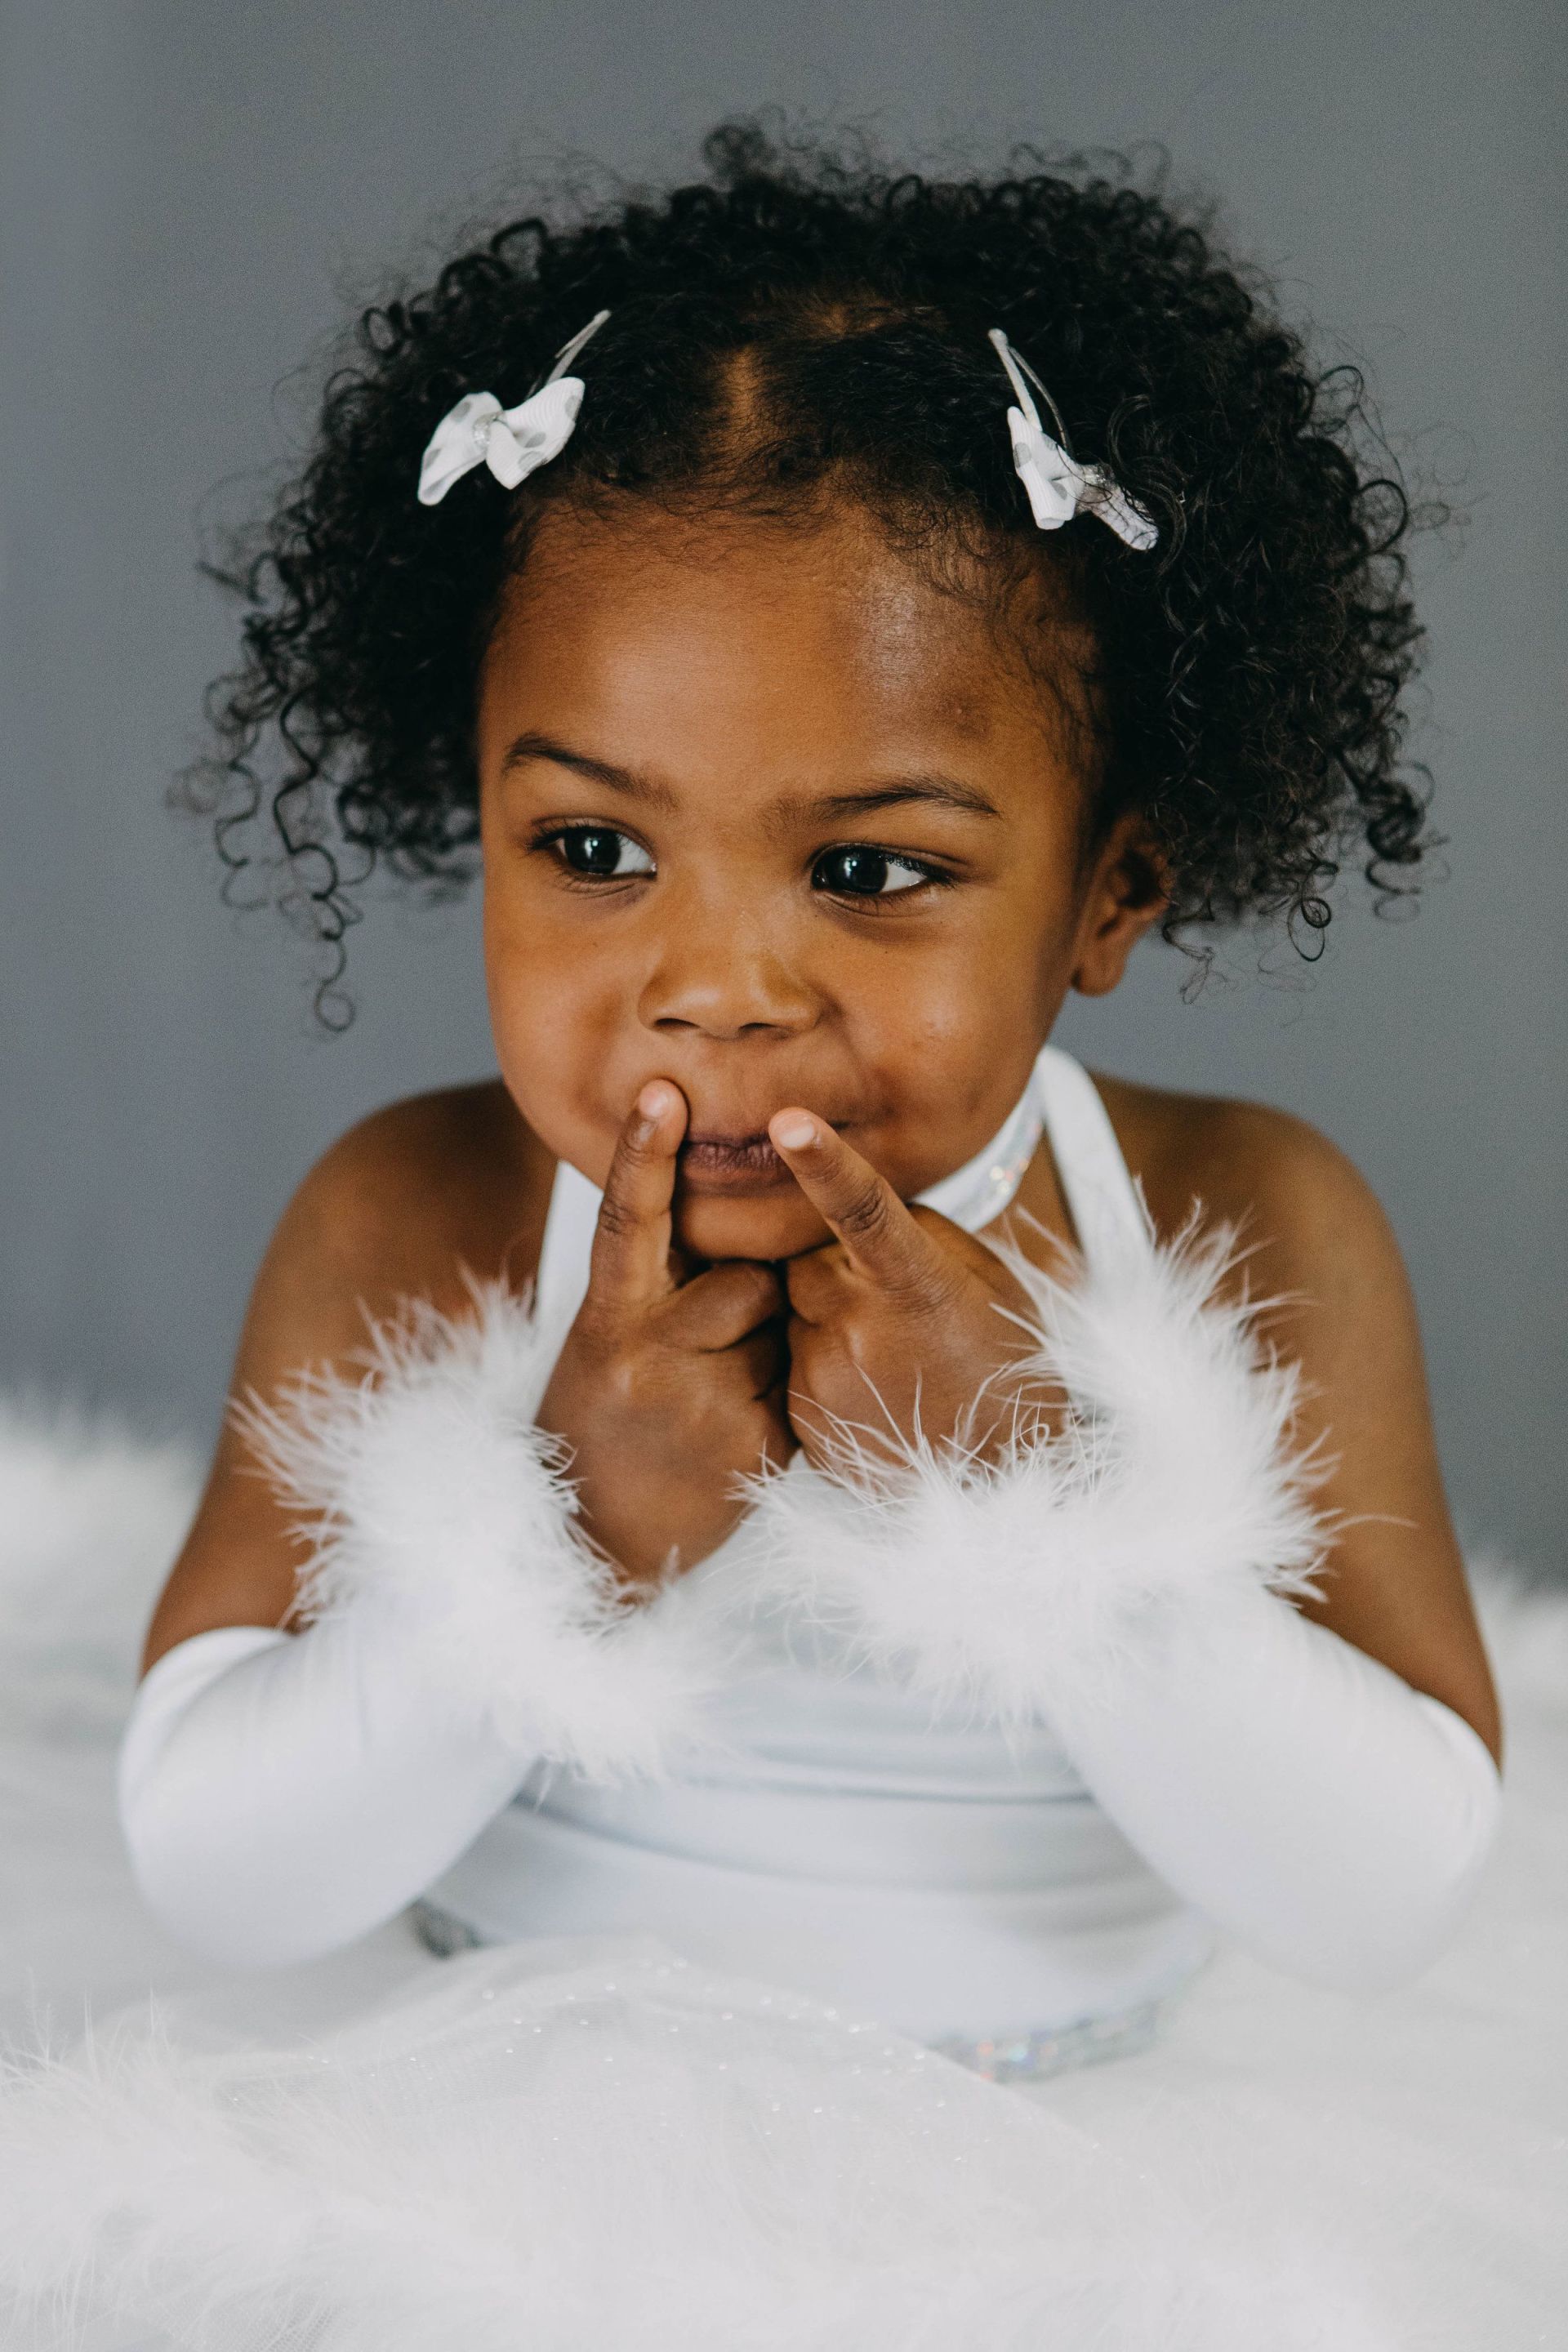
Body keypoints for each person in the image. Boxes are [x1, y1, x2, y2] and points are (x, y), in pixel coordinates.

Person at [120, 125, 1499, 2103]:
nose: (718, 986)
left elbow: (1389, 1897)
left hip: (1064, 2167)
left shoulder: (1244, 1219)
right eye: (592, 843)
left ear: (1113, 889)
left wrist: (1026, 1494)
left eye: (867, 872)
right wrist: (567, 1533)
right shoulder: (412, 1209)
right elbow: (214, 1875)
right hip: (507, 2126)